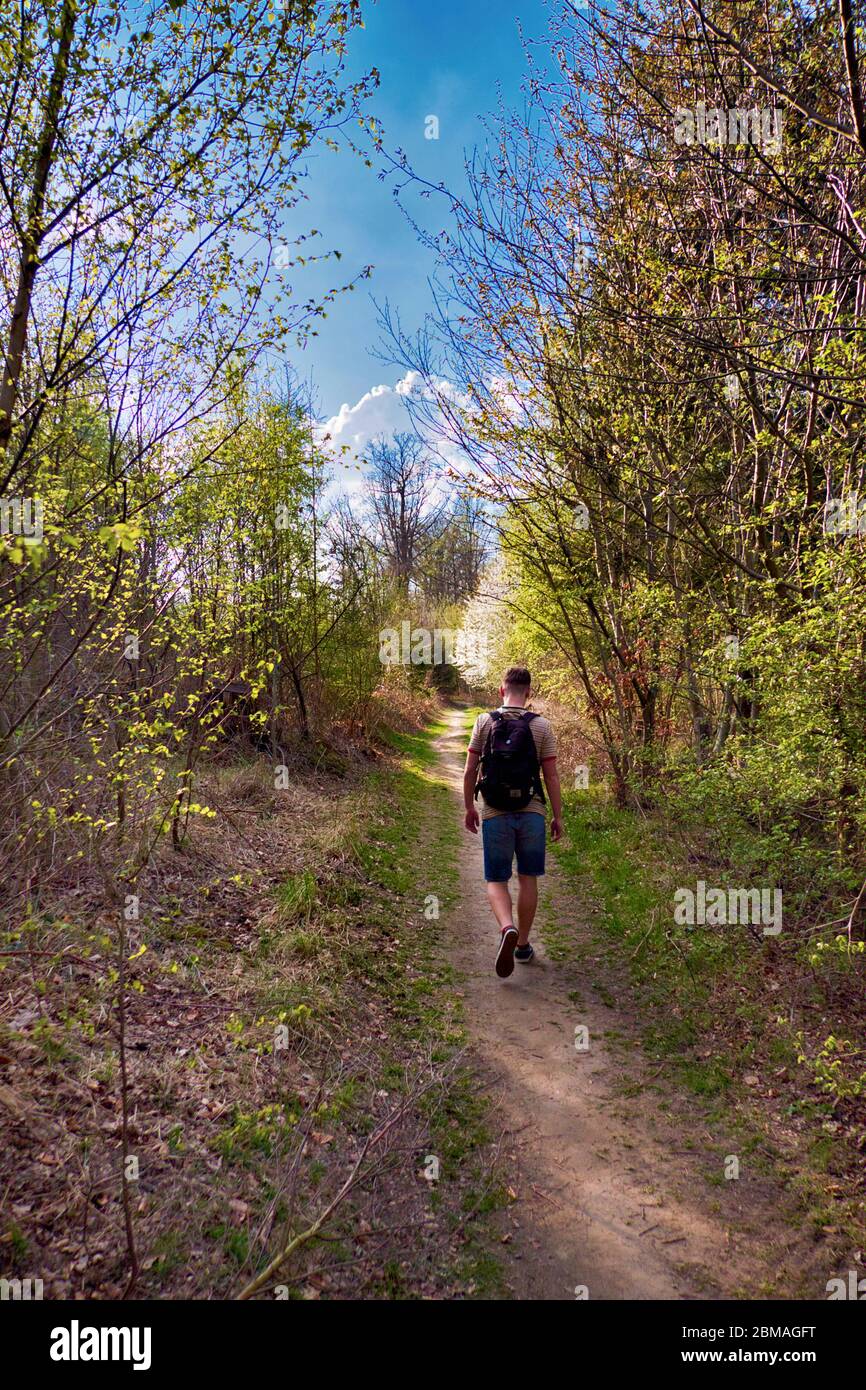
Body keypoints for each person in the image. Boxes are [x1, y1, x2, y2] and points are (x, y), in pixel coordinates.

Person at [463, 667, 562, 977]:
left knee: (497, 880)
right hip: (532, 811)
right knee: (528, 878)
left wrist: (469, 807)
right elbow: (552, 776)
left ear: (501, 691)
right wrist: (558, 816)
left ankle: (507, 927)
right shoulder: (542, 726)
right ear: (528, 693)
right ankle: (522, 944)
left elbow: (469, 771)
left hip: (495, 811)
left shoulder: (484, 722)